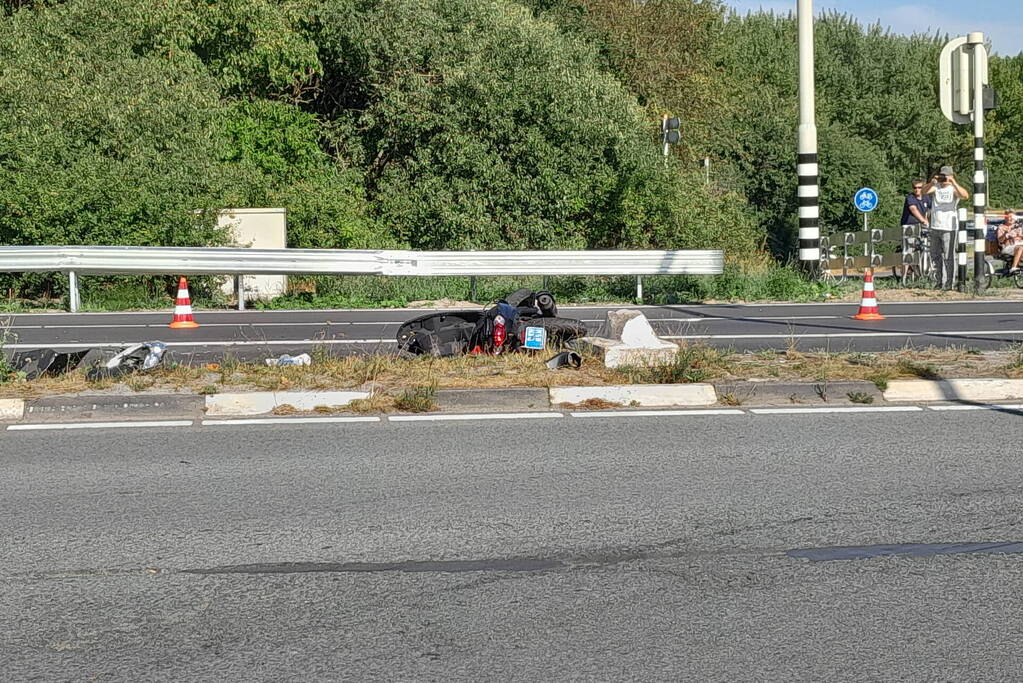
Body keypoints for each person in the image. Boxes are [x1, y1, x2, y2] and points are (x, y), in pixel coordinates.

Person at [923, 165, 969, 290]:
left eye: (945, 177)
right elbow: (923, 192)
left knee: (949, 256)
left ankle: (949, 283)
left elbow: (965, 196)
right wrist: (931, 182)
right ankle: (939, 281)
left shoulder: (953, 189)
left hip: (949, 226)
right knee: (935, 255)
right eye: (942, 176)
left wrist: (953, 182)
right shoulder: (936, 187)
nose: (943, 179)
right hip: (935, 226)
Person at [899, 179, 931, 279]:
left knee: (925, 248)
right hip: (910, 227)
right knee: (908, 250)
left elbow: (931, 209)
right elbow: (913, 209)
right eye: (915, 188)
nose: (917, 190)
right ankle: (903, 277)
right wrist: (923, 220)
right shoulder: (910, 198)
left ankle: (923, 273)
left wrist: (929, 220)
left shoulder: (926, 198)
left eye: (919, 188)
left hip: (921, 227)